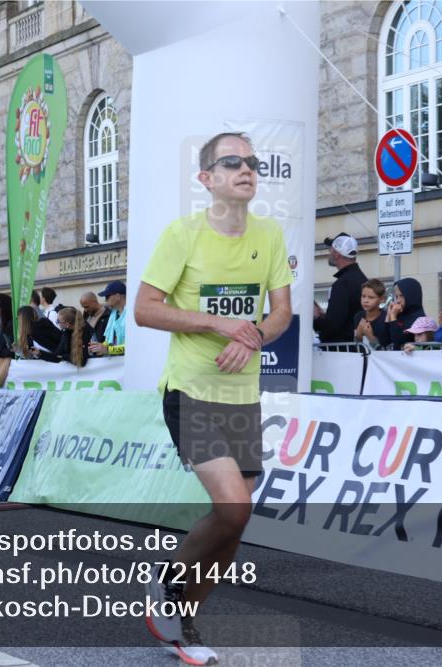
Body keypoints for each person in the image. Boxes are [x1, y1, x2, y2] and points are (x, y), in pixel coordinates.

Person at [134, 131, 293, 663]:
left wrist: (255, 335)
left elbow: (280, 313)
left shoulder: (270, 235)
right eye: (232, 162)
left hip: (242, 396)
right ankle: (169, 582)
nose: (246, 168)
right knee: (234, 505)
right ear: (207, 179)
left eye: (252, 161)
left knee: (236, 521)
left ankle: (184, 622)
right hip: (191, 390)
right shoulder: (183, 235)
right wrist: (220, 324)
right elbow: (146, 309)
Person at [313, 233, 367, 344]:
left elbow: (332, 326)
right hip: (356, 350)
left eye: (330, 250)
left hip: (341, 353)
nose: (329, 253)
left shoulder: (342, 284)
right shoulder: (362, 279)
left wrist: (315, 318)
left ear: (336, 254)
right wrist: (324, 316)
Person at [385, 277, 426, 349]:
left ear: (411, 295)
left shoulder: (420, 319)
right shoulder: (399, 314)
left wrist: (393, 317)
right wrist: (388, 316)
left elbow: (399, 341)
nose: (398, 300)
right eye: (397, 296)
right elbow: (384, 340)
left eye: (401, 296)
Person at [89, 281, 126, 356]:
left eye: (107, 296)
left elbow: (132, 347)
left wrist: (108, 349)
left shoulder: (132, 315)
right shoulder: (113, 314)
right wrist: (98, 347)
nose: (105, 300)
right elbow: (109, 340)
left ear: (118, 296)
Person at [353, 278, 390, 349]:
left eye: (371, 297)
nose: (366, 300)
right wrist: (358, 335)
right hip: (362, 359)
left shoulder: (386, 317)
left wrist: (370, 336)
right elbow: (356, 349)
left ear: (382, 299)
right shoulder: (358, 316)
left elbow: (385, 351)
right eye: (363, 296)